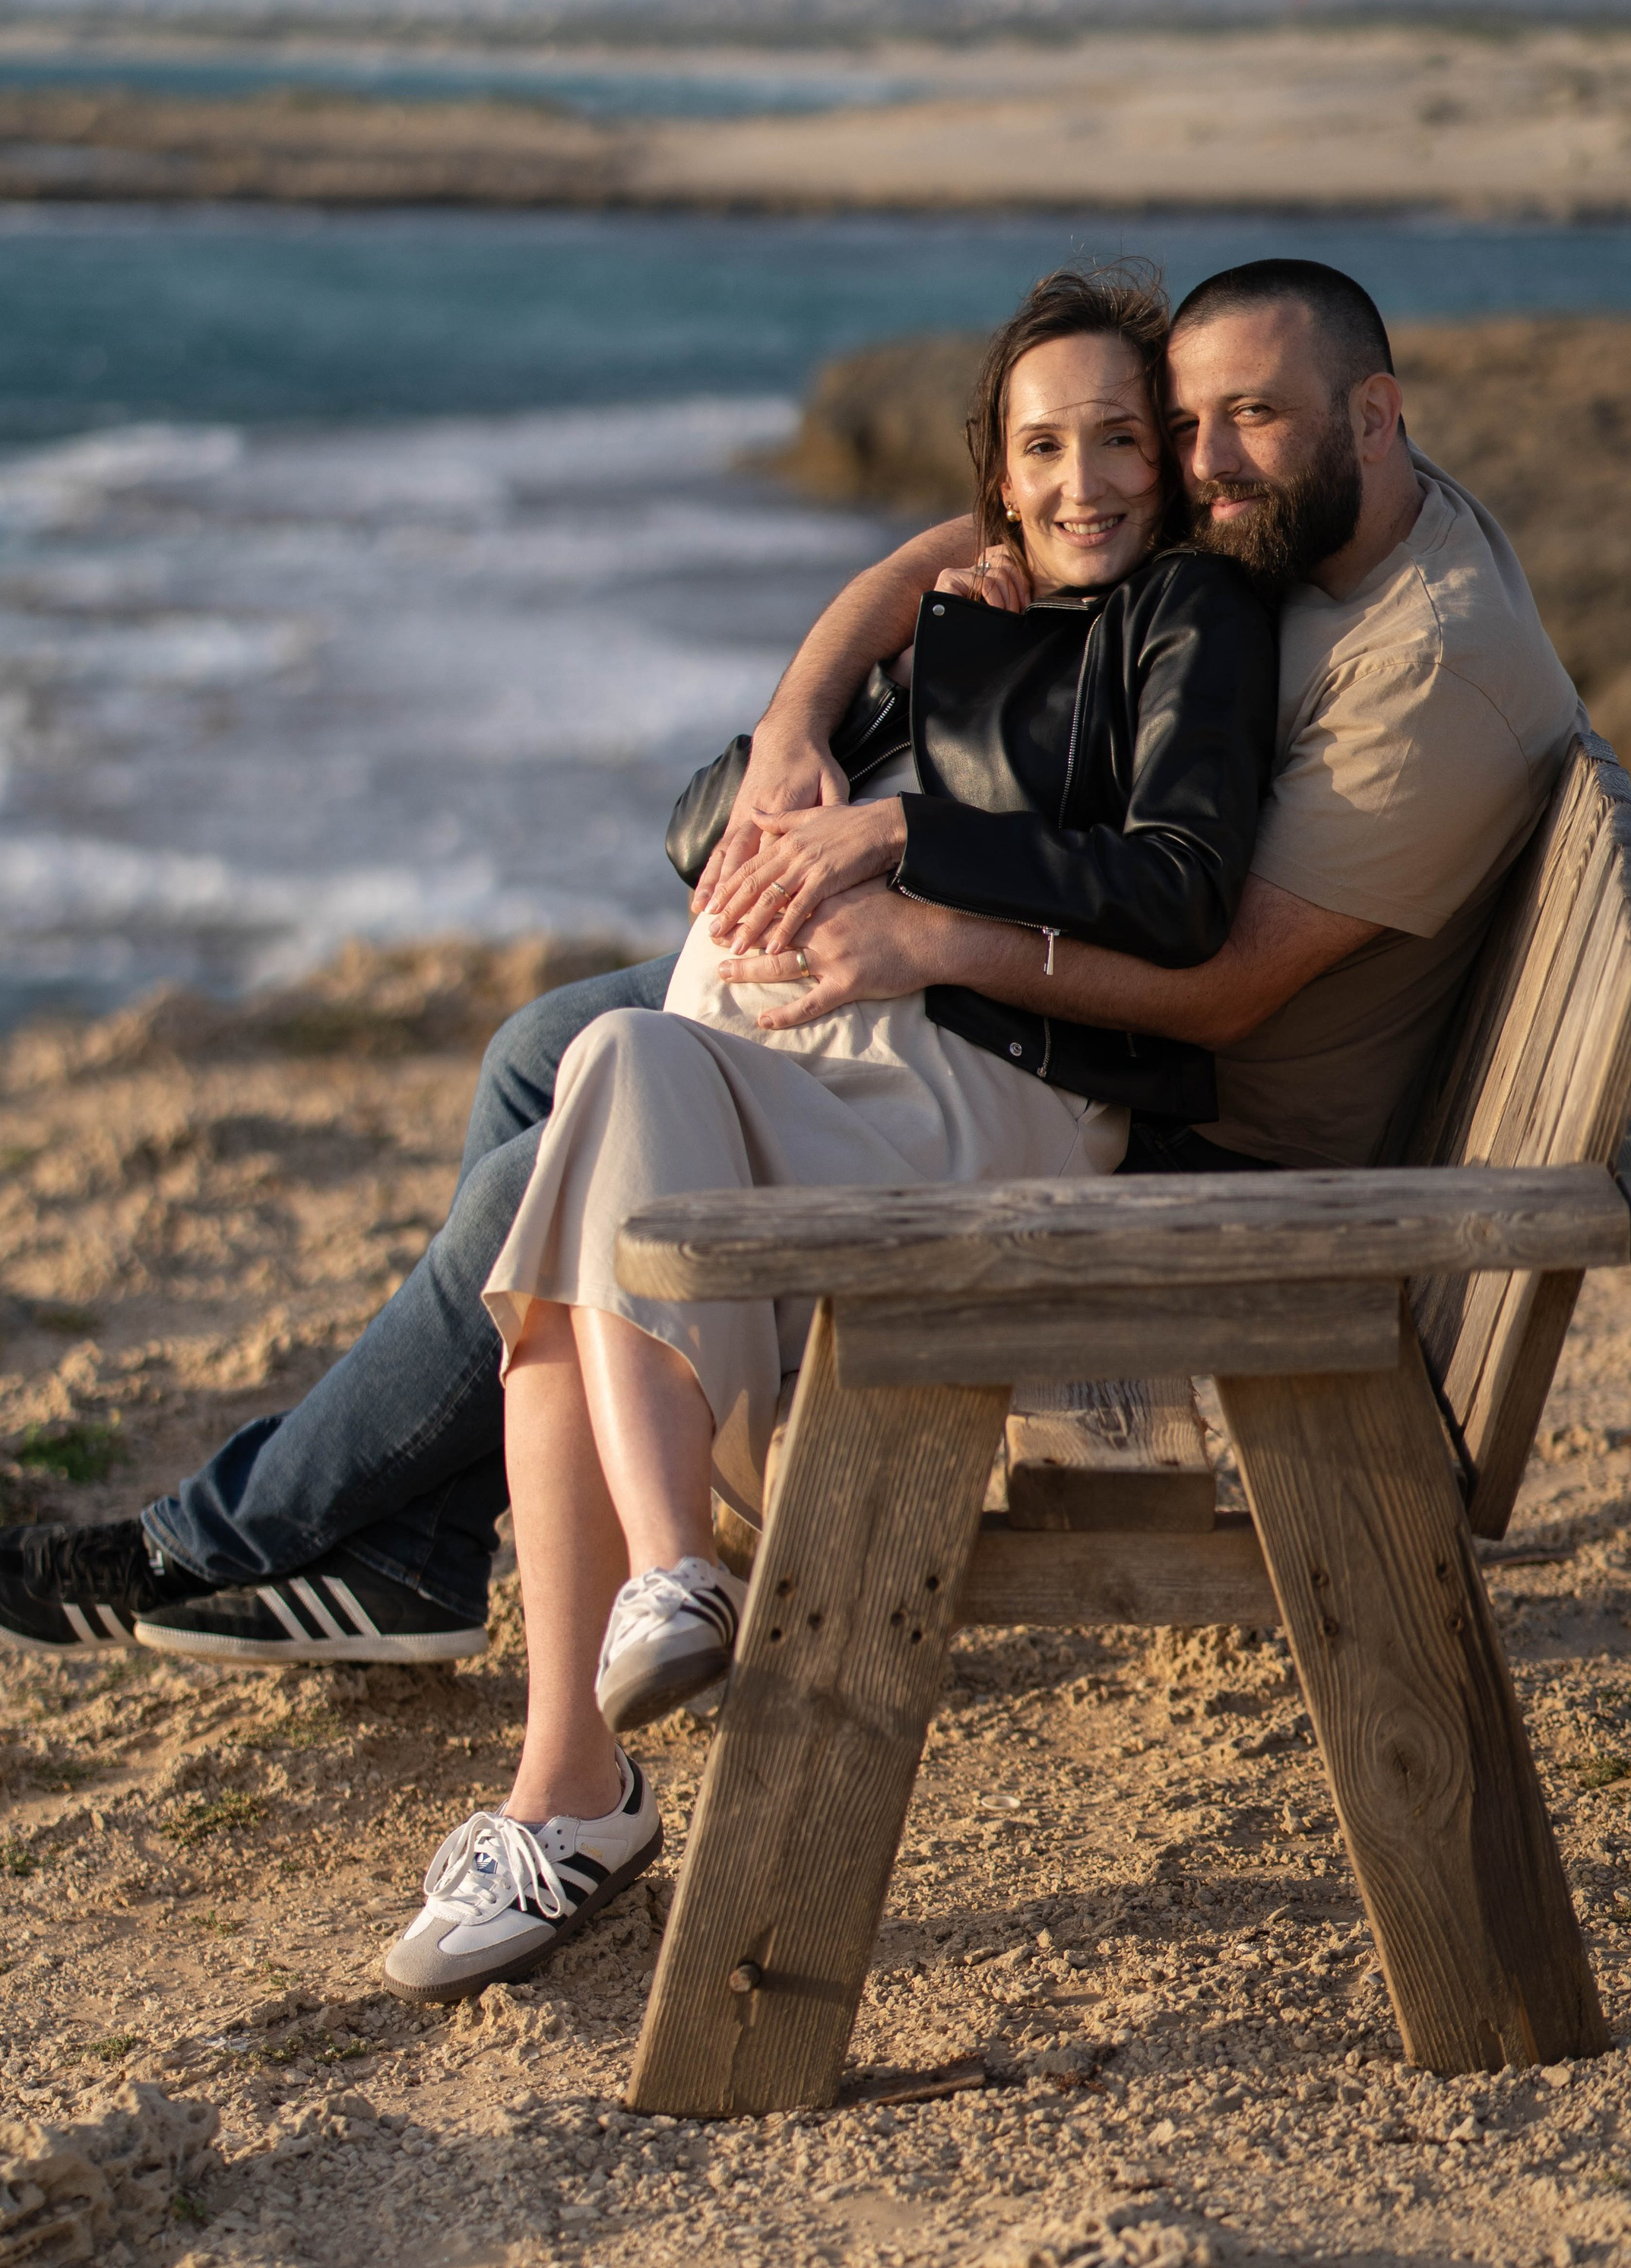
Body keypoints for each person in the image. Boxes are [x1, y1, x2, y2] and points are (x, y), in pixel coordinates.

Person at [0, 255, 1576, 1740]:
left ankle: (222, 1543)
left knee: (551, 1167)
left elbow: (1209, 983)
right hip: (1040, 1015)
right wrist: (801, 723)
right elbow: (975, 539)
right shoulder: (1281, 524)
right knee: (538, 1051)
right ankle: (417, 1550)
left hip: (1206, 1158)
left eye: (1245, 421)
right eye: (1192, 420)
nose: (1208, 458)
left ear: (1372, 416)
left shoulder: (1415, 661)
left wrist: (917, 920)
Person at [377, 265, 1276, 2000]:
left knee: (578, 1178)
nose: (1084, 481)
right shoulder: (974, 613)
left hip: (993, 1113)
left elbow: (1177, 888)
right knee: (609, 1077)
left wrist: (896, 839)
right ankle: (649, 1617)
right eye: (1042, 449)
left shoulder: (1190, 616)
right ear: (994, 477)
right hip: (826, 1096)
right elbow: (721, 817)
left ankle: (579, 1776)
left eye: (1117, 440)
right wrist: (835, 694)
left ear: (1166, 463)